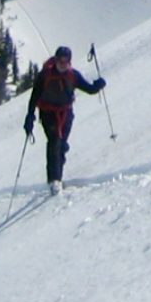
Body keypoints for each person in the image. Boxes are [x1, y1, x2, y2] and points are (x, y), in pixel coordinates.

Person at [24, 45, 105, 193]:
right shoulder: (45, 75)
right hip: (48, 113)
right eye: (59, 61)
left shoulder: (73, 75)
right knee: (54, 141)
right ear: (55, 60)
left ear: (69, 61)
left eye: (65, 61)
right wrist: (30, 115)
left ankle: (57, 174)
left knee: (60, 144)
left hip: (66, 113)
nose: (62, 64)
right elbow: (34, 96)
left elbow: (89, 89)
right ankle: (54, 180)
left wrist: (98, 86)